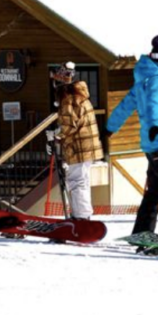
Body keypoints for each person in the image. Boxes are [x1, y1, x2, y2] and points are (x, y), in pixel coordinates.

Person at [105, 35, 158, 255]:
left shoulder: (142, 82)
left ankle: (142, 236)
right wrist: (154, 125)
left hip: (152, 149)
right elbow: (156, 105)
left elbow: (125, 106)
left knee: (154, 194)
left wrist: (110, 128)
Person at [52, 61, 104, 220]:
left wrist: (56, 136)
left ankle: (81, 217)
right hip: (87, 145)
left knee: (77, 181)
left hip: (79, 146)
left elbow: (68, 125)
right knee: (82, 179)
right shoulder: (80, 96)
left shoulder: (68, 99)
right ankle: (82, 214)